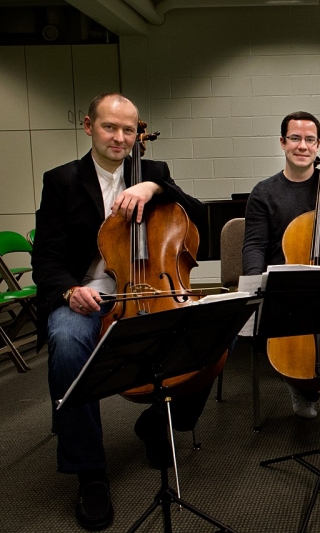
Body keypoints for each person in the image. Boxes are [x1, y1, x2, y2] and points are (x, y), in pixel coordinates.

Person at [32, 93, 211, 531]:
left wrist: (155, 187)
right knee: (68, 341)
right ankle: (90, 473)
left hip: (152, 288)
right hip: (89, 294)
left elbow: (200, 216)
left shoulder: (154, 173)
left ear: (137, 133)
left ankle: (157, 425)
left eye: (128, 129)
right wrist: (69, 290)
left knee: (207, 336)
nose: (120, 137)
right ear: (89, 126)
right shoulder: (61, 181)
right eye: (110, 127)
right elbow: (46, 259)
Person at [241, 111, 320, 419]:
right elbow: (254, 245)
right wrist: (255, 285)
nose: (303, 146)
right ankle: (301, 382)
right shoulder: (263, 193)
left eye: (310, 140)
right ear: (282, 143)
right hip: (286, 285)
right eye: (295, 138)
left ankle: (309, 381)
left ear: (318, 144)